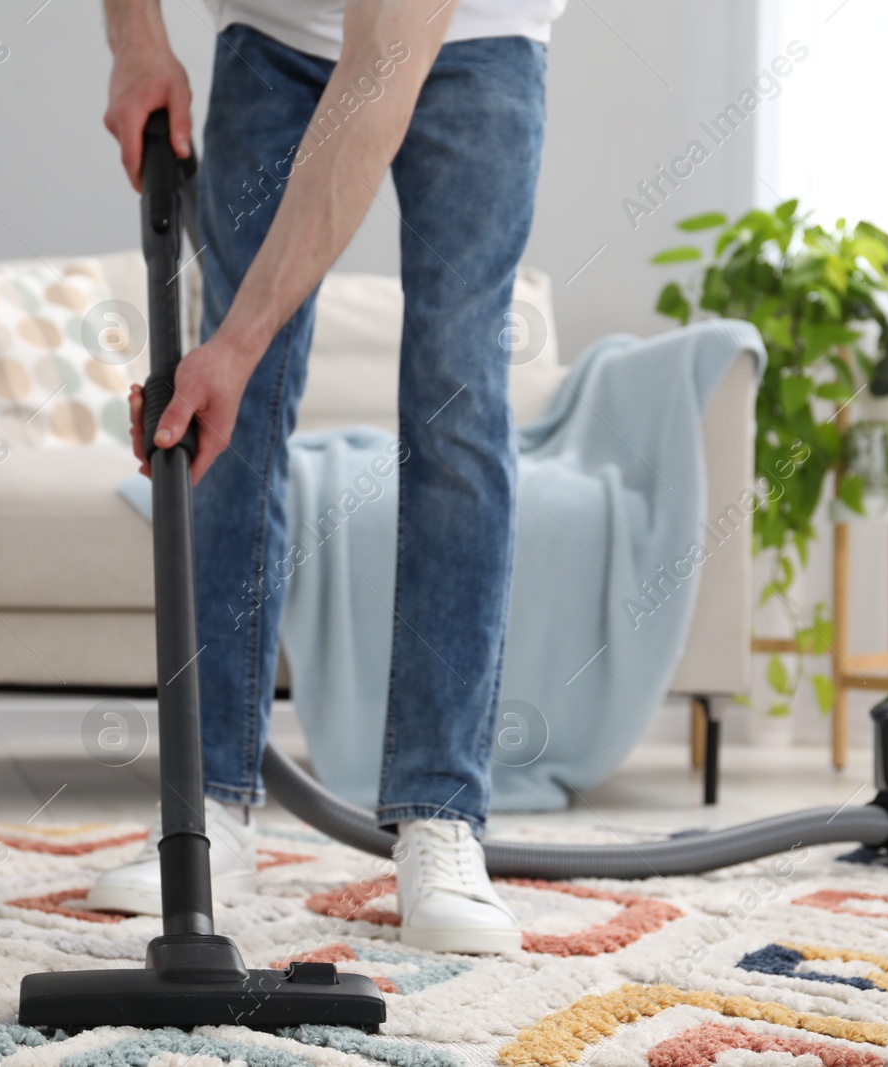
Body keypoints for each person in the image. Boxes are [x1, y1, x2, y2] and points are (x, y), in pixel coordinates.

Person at [87, 0, 561, 955]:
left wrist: (237, 344)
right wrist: (137, 44)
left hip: (477, 36)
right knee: (232, 424)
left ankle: (441, 814)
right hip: (269, 33)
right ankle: (208, 806)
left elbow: (377, 76)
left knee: (457, 395)